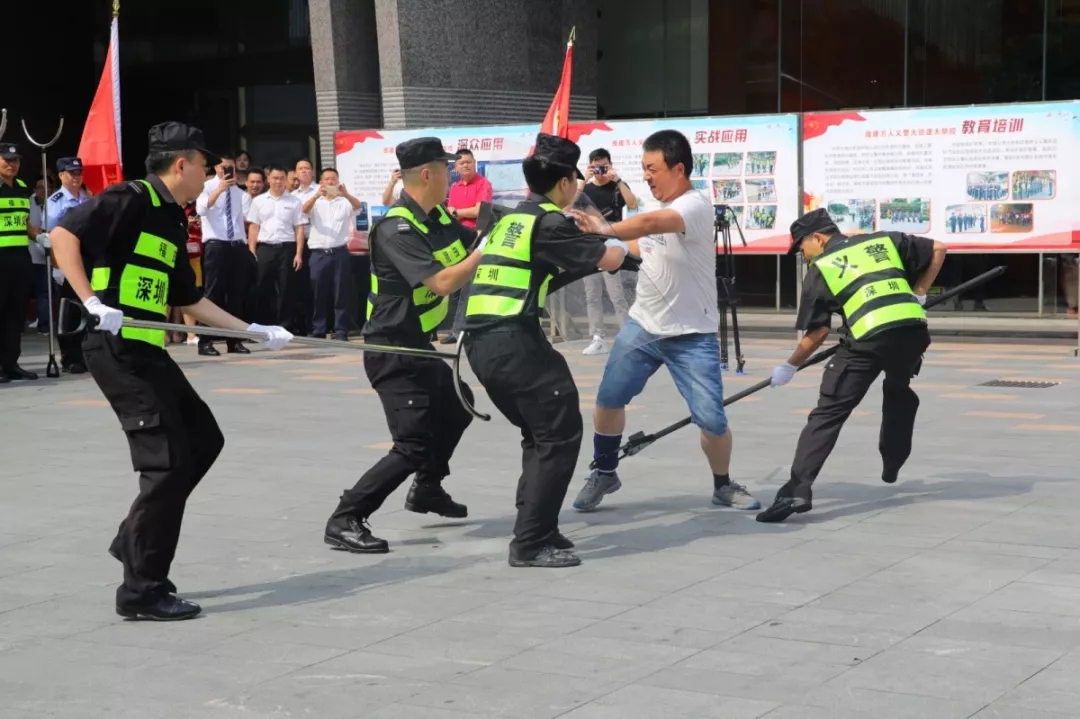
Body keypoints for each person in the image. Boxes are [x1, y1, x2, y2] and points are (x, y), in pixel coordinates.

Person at [49, 122, 294, 621]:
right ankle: (141, 590)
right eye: (205, 165)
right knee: (167, 463)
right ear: (181, 164)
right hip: (114, 347)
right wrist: (91, 300)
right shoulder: (130, 198)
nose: (210, 174)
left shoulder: (174, 219)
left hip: (147, 351)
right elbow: (62, 234)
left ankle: (134, 537)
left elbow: (189, 298)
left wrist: (253, 330)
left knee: (204, 439)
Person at [463, 133, 631, 568]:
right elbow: (609, 258)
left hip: (483, 343)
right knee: (559, 431)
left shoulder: (510, 220)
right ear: (564, 183)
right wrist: (613, 237)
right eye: (575, 179)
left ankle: (538, 524)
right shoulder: (551, 223)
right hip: (513, 341)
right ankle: (530, 543)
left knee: (539, 433)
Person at [572, 130, 760, 513]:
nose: (646, 176)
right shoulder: (658, 207)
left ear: (678, 169)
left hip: (692, 335)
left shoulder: (694, 206)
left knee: (712, 420)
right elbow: (642, 244)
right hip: (642, 326)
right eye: (643, 168)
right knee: (608, 400)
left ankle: (722, 485)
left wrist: (604, 228)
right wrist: (603, 246)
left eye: (652, 168)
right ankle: (605, 472)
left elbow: (651, 225)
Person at [324, 137, 483, 554]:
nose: (452, 177)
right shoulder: (397, 229)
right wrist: (485, 252)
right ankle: (345, 518)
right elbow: (443, 281)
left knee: (459, 402)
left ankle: (427, 487)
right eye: (446, 170)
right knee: (411, 443)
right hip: (391, 349)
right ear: (427, 174)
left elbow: (472, 240)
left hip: (416, 345)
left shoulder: (436, 218)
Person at [756, 208, 947, 523]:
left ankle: (796, 492)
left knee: (827, 414)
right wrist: (920, 292)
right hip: (913, 334)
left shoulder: (821, 268)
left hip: (866, 343)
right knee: (897, 389)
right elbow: (939, 248)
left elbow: (818, 333)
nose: (803, 255)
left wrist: (788, 367)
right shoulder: (882, 242)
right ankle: (893, 461)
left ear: (818, 238)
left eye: (802, 247)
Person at [579, 148, 636, 356]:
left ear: (610, 165)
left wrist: (617, 179)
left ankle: (627, 337)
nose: (600, 171)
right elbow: (569, 205)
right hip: (589, 244)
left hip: (611, 244)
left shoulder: (616, 187)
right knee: (592, 294)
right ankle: (597, 337)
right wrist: (583, 180)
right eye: (596, 167)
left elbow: (633, 204)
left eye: (604, 166)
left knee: (616, 294)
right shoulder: (586, 189)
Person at [196, 153, 253, 356]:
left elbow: (247, 217)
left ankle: (234, 341)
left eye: (231, 168)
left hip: (236, 245)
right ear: (216, 169)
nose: (227, 171)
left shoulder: (239, 192)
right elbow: (201, 209)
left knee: (236, 294)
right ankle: (205, 341)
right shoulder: (207, 187)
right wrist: (219, 189)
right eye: (223, 168)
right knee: (212, 294)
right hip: (216, 245)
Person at [302, 167, 360, 340]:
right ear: (321, 182)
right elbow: (304, 210)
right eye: (326, 179)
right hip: (318, 254)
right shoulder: (315, 201)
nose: (330, 181)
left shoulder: (344, 202)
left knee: (341, 293)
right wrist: (316, 195)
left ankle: (341, 330)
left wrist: (346, 194)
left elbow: (358, 207)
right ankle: (319, 329)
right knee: (318, 292)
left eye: (333, 178)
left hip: (339, 252)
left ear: (338, 181)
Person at [45, 157, 92, 372]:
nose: (76, 177)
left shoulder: (87, 197)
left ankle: (87, 355)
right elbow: (50, 237)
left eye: (79, 173)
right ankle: (70, 357)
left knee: (88, 307)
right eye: (71, 173)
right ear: (61, 175)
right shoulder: (56, 202)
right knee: (70, 310)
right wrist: (57, 266)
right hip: (67, 261)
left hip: (88, 259)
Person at [0, 141, 39, 382]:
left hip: (20, 258)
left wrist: (38, 235)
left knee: (16, 315)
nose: (12, 164)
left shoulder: (23, 188)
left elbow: (24, 223)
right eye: (6, 160)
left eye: (15, 160)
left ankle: (10, 363)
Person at [247, 166, 305, 328]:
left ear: (286, 179)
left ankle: (284, 326)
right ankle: (261, 326)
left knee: (286, 289)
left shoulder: (294, 201)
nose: (278, 181)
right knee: (261, 287)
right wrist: (252, 251)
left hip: (287, 249)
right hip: (265, 248)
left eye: (281, 178)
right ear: (268, 179)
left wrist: (298, 253)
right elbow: (254, 227)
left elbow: (299, 228)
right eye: (274, 178)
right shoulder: (259, 201)